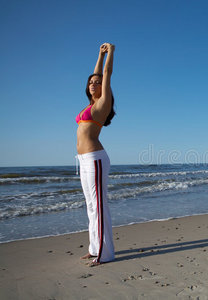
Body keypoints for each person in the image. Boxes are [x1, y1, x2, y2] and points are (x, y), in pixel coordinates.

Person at [76, 43, 116, 266]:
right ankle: (94, 248)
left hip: (95, 159)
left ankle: (106, 253)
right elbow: (97, 72)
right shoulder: (90, 104)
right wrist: (98, 55)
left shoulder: (103, 102)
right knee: (91, 206)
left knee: (99, 206)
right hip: (83, 160)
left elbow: (106, 73)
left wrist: (110, 52)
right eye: (91, 82)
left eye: (97, 82)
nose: (93, 84)